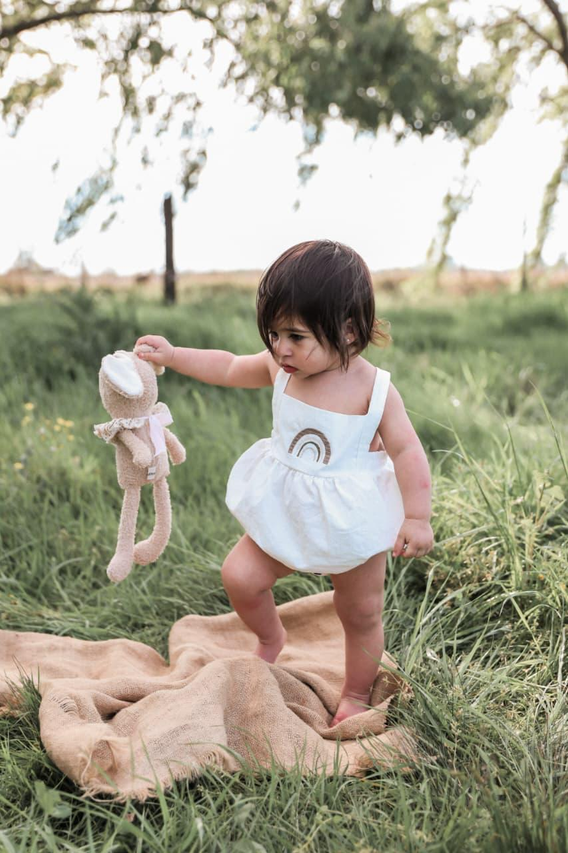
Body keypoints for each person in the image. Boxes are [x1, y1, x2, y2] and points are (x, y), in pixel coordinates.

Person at [135, 239, 433, 726]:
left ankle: (356, 692)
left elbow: (407, 451)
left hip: (352, 519)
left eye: (295, 335)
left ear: (349, 329)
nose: (280, 347)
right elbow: (229, 365)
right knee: (241, 576)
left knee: (360, 612)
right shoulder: (281, 367)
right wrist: (174, 355)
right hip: (288, 508)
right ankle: (271, 637)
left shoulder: (375, 390)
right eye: (273, 334)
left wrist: (417, 517)